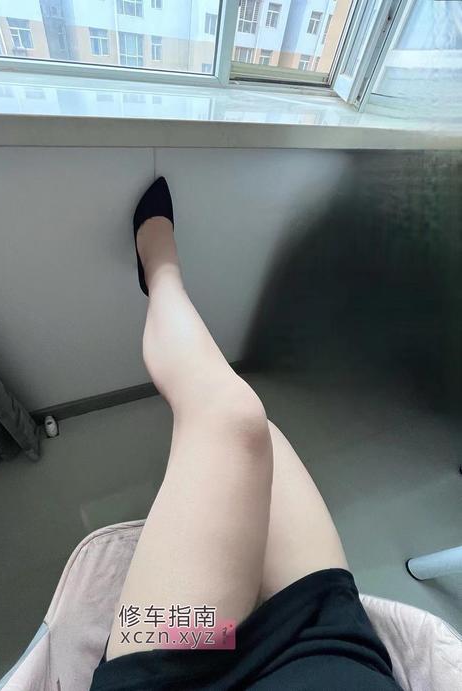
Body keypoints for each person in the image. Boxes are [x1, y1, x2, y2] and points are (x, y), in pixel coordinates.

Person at [90, 178, 401, 690]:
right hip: (322, 640)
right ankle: (163, 281)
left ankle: (162, 272)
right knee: (259, 443)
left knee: (231, 419)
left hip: (183, 677)